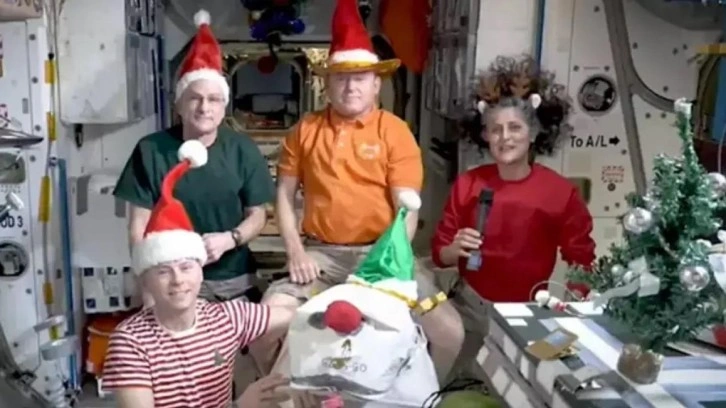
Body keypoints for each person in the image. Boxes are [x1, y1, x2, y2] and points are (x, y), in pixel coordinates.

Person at [253, 0, 464, 384]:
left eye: (360, 77)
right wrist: (296, 252)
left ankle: (423, 396)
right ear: (327, 83)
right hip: (320, 254)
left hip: (383, 253)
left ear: (376, 83)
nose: (351, 86)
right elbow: (284, 194)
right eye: (341, 78)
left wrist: (387, 263)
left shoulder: (395, 132)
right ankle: (279, 395)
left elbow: (407, 209)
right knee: (264, 328)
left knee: (450, 333)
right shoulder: (305, 130)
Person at [102, 140, 293, 408]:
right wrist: (239, 406)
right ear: (145, 280)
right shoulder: (131, 343)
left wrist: (339, 312)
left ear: (201, 272)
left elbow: (295, 316)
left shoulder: (225, 319)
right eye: (163, 271)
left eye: (186, 267)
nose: (178, 280)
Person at [430, 55, 596, 363]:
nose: (505, 137)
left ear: (533, 133)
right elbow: (440, 254)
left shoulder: (560, 193)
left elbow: (582, 260)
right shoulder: (468, 184)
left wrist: (573, 311)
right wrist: (453, 249)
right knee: (451, 375)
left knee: (531, 381)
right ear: (484, 135)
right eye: (496, 129)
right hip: (469, 308)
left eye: (515, 128)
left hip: (529, 311)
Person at [113, 9, 274, 304]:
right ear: (179, 104)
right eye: (195, 98)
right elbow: (138, 226)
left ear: (224, 106)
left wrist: (230, 239)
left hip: (232, 281)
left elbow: (258, 215)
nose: (204, 108)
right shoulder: (151, 150)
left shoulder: (243, 149)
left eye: (214, 99)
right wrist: (146, 284)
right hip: (172, 281)